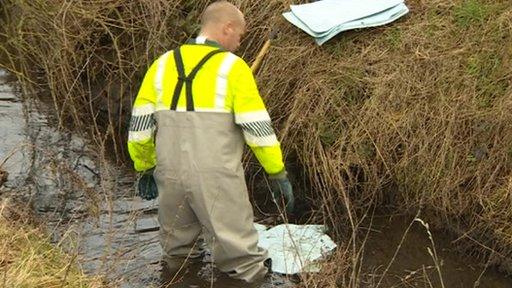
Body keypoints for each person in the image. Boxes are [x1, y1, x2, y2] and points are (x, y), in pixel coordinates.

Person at [127, 1, 293, 284]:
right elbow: (258, 130)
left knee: (178, 255)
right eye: (239, 36)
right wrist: (276, 172)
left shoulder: (162, 64)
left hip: (169, 173)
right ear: (227, 28)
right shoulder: (233, 68)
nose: (239, 44)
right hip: (216, 178)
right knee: (242, 262)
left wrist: (145, 167)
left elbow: (140, 127)